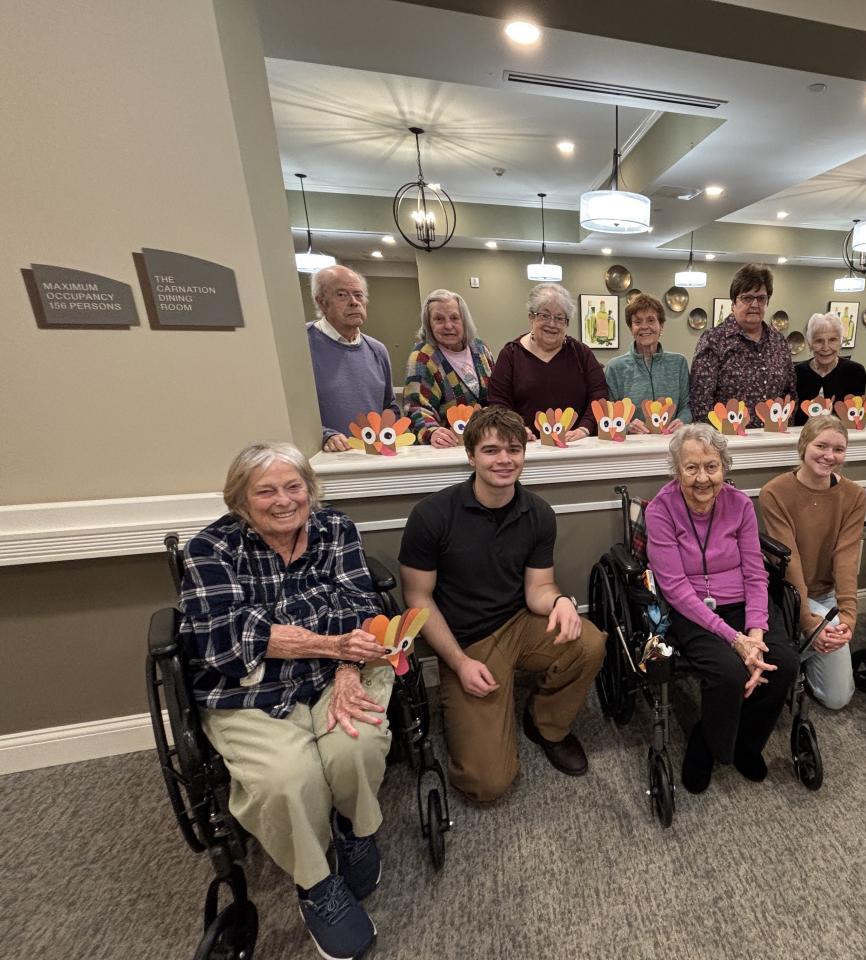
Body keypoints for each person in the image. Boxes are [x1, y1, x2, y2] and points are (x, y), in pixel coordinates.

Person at [180, 442, 391, 960]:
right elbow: (225, 640)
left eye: (294, 486)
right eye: (266, 491)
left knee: (357, 744)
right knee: (286, 778)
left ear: (309, 490)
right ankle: (315, 882)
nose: (283, 500)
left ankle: (352, 829)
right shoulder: (211, 549)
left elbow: (360, 604)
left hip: (334, 671)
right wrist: (332, 642)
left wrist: (346, 664)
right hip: (247, 689)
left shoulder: (334, 529)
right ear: (240, 500)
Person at [398, 405, 605, 802]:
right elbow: (417, 598)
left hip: (519, 623)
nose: (504, 459)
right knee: (487, 783)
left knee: (589, 642)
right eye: (491, 450)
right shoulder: (431, 515)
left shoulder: (538, 513)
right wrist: (459, 663)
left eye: (514, 449)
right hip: (467, 642)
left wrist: (560, 601)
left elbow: (538, 589)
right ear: (471, 456)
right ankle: (480, 712)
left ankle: (545, 725)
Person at [645, 423, 800, 793]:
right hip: (693, 611)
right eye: (691, 468)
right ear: (676, 470)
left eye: (711, 466)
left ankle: (746, 743)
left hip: (744, 604)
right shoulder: (661, 510)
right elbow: (674, 588)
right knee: (729, 673)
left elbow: (755, 574)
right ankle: (707, 742)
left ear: (724, 467)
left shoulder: (740, 504)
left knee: (783, 662)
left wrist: (756, 635)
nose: (703, 478)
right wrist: (735, 640)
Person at [759, 415, 866, 710]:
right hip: (788, 595)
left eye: (839, 449)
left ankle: (804, 654)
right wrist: (808, 620)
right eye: (821, 446)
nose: (829, 456)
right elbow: (790, 560)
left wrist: (848, 617)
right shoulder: (774, 492)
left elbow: (846, 558)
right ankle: (801, 649)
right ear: (804, 445)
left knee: (837, 699)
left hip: (827, 596)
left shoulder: (854, 495)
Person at [488, 283, 608, 440]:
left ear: (566, 323)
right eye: (544, 315)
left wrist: (585, 428)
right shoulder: (510, 354)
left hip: (576, 443)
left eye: (559, 318)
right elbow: (498, 402)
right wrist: (516, 428)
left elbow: (599, 395)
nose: (552, 324)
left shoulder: (581, 353)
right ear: (531, 317)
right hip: (526, 444)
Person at [689, 263, 796, 428]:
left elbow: (790, 393)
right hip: (726, 439)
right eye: (747, 298)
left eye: (761, 298)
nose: (755, 304)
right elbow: (701, 402)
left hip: (773, 437)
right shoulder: (713, 340)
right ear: (733, 302)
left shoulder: (778, 342)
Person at [306, 265, 397, 453]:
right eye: (342, 295)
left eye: (358, 295)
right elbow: (292, 412)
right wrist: (325, 435)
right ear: (321, 302)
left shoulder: (377, 350)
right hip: (325, 458)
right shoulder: (301, 345)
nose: (354, 302)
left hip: (373, 457)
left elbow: (389, 407)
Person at [404, 288, 495, 448]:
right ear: (429, 324)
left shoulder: (480, 349)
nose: (448, 325)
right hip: (448, 446)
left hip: (487, 442)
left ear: (464, 321)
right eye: (439, 319)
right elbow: (416, 407)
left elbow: (496, 395)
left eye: (454, 318)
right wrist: (432, 432)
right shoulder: (423, 357)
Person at [604, 293, 692, 431]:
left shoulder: (679, 363)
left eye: (651, 320)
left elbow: (687, 405)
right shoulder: (615, 368)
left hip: (672, 439)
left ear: (661, 325)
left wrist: (682, 420)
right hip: (632, 442)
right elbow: (608, 414)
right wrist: (627, 426)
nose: (644, 326)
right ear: (631, 328)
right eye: (637, 322)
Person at [792, 311, 866, 426]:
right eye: (819, 341)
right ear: (810, 344)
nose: (826, 348)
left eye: (832, 340)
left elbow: (860, 417)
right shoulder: (797, 373)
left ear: (840, 342)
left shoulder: (855, 372)